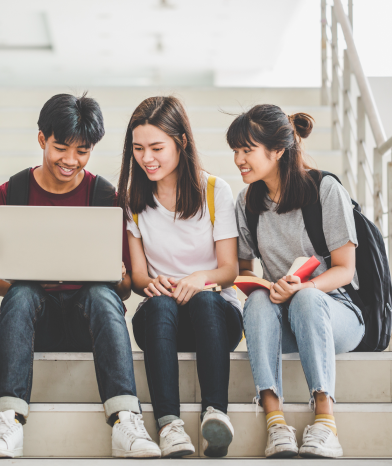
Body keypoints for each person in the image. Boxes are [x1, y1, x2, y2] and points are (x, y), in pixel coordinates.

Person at [0, 93, 161, 459]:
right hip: (35, 322)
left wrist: (117, 275)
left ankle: (125, 418)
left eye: (83, 151)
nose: (71, 161)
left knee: (102, 294)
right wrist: (31, 278)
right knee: (22, 293)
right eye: (62, 148)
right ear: (42, 139)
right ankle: (8, 419)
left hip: (86, 324)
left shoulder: (105, 196)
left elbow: (124, 290)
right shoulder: (11, 193)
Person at [229, 104, 364, 459]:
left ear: (277, 151)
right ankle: (275, 422)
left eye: (247, 150)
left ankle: (325, 423)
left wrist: (303, 288)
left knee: (306, 301)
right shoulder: (247, 202)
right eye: (235, 150)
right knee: (257, 301)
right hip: (284, 313)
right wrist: (259, 287)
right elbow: (245, 272)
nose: (238, 159)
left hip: (337, 314)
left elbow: (345, 270)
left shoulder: (324, 189)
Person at [117, 96, 243, 458]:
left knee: (205, 298)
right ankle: (169, 426)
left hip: (216, 317)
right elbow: (140, 277)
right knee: (157, 306)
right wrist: (152, 286)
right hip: (163, 321)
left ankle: (215, 415)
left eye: (157, 147)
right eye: (138, 149)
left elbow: (229, 271)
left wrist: (198, 278)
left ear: (181, 142)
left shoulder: (215, 190)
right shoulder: (133, 202)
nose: (147, 158)